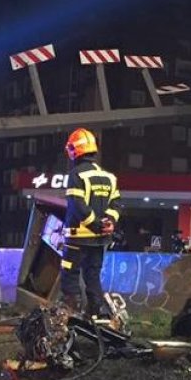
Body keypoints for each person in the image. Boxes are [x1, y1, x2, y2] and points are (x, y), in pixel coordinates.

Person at [60, 128, 122, 318]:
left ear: (74, 150)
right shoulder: (109, 177)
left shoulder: (76, 175)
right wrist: (108, 222)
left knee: (70, 274)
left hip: (78, 238)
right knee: (93, 276)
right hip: (100, 239)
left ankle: (72, 313)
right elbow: (116, 204)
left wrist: (94, 223)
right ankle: (97, 315)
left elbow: (77, 206)